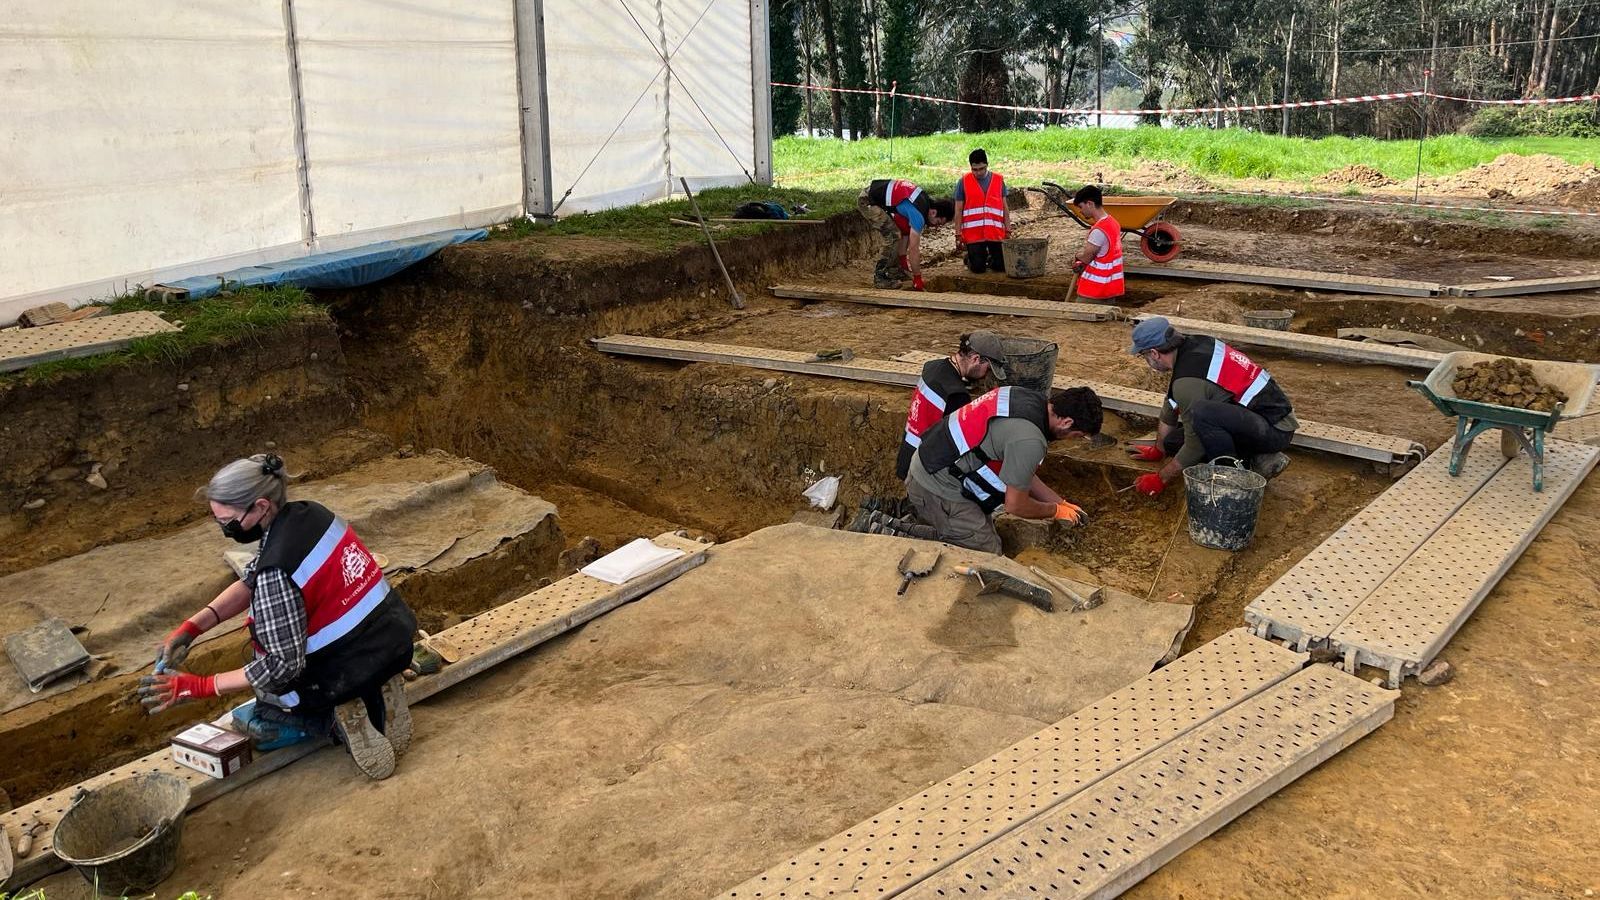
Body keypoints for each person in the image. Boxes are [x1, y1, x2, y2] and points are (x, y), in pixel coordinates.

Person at [139, 454, 419, 780]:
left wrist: (199, 686)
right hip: (393, 637)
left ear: (260, 506)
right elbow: (251, 580)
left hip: (344, 672)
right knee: (315, 663)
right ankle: (380, 688)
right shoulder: (310, 514)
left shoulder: (277, 572)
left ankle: (336, 721)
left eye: (229, 521)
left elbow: (281, 667)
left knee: (261, 717)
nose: (225, 530)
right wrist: (192, 628)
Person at [906, 385, 1103, 554]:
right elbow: (1015, 506)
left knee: (975, 534)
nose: (1073, 440)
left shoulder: (1024, 398)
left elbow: (1020, 471)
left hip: (931, 463)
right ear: (1067, 422)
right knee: (988, 555)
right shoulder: (1030, 440)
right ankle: (894, 533)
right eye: (1077, 435)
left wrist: (1061, 502)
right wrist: (1055, 511)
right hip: (935, 488)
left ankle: (912, 526)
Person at [1124, 317, 1298, 497]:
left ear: (1154, 353)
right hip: (1254, 417)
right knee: (1173, 443)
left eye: (1142, 355)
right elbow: (1171, 403)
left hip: (1275, 428)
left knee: (1202, 415)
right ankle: (1258, 458)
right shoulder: (1192, 345)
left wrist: (1161, 478)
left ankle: (1233, 478)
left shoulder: (1187, 381)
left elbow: (1195, 446)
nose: (1145, 360)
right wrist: (1159, 449)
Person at [895, 330, 1011, 481]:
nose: (985, 375)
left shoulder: (932, 367)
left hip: (907, 455)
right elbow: (962, 445)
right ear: (976, 359)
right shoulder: (956, 395)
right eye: (987, 369)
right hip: (924, 469)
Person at [858, 178, 954, 290]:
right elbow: (913, 250)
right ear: (934, 212)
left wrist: (904, 265)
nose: (935, 227)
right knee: (893, 236)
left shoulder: (924, 202)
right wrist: (917, 278)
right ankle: (880, 277)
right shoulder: (919, 215)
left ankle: (895, 271)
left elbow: (906, 234)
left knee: (900, 231)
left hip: (874, 194)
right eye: (938, 223)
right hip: (868, 201)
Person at [953, 149, 1008, 274]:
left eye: (982, 168)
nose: (978, 172)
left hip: (995, 232)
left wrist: (1008, 229)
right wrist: (958, 234)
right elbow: (958, 210)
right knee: (978, 268)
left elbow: (1005, 207)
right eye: (975, 169)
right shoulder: (963, 182)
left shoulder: (998, 180)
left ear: (987, 165)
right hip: (974, 235)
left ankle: (988, 257)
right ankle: (971, 259)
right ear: (971, 167)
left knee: (1000, 266)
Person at [1069, 185, 1124, 300]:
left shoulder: (1099, 230)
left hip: (1094, 290)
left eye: (1081, 206)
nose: (1080, 211)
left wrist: (1077, 257)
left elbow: (1087, 258)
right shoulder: (1113, 223)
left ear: (1090, 204)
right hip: (1110, 288)